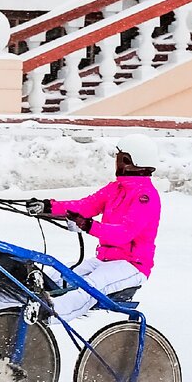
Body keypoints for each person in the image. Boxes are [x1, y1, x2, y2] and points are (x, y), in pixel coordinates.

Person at [24, 134, 162, 321]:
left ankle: (49, 313)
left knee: (90, 286)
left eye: (121, 159)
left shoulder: (145, 197)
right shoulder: (115, 188)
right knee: (57, 276)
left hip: (131, 266)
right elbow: (86, 205)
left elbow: (123, 234)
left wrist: (88, 225)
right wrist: (48, 206)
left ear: (133, 162)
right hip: (104, 259)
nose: (117, 163)